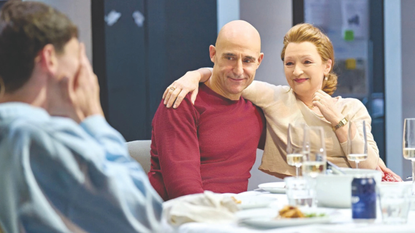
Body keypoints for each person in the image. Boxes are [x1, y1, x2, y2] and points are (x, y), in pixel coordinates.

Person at [163, 23, 402, 181]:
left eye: (307, 62)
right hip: (301, 198)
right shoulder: (274, 97)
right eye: (289, 63)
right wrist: (193, 75)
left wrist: (338, 121)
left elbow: (370, 169)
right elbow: (232, 76)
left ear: (327, 66)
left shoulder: (351, 108)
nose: (297, 71)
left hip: (352, 199)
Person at [0, 2, 163, 232]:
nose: (83, 68)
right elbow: (147, 217)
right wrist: (94, 116)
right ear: (49, 58)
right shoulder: (43, 137)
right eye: (78, 55)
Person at [149, 20, 266, 201]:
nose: (238, 70)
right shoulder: (182, 101)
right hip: (181, 220)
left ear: (259, 61)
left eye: (247, 60)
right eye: (229, 57)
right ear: (213, 54)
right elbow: (185, 192)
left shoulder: (257, 109)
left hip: (233, 215)